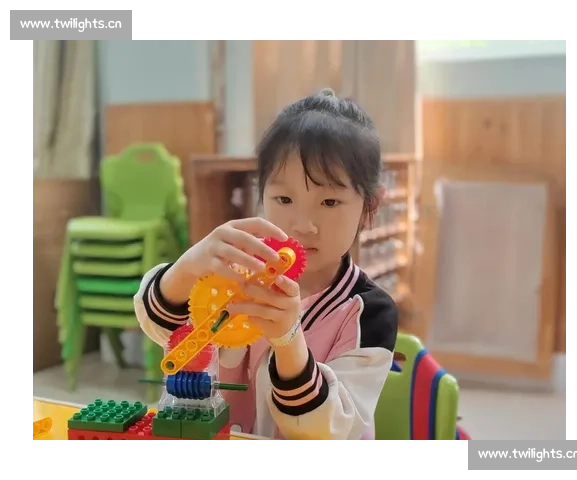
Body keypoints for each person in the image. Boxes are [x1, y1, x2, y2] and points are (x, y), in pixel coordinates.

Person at [134, 88, 399, 440]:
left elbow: (329, 430)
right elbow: (165, 328)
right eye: (284, 198)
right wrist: (188, 267)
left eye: (330, 202)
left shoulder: (368, 312)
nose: (303, 225)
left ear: (370, 207)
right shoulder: (236, 273)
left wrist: (287, 339)